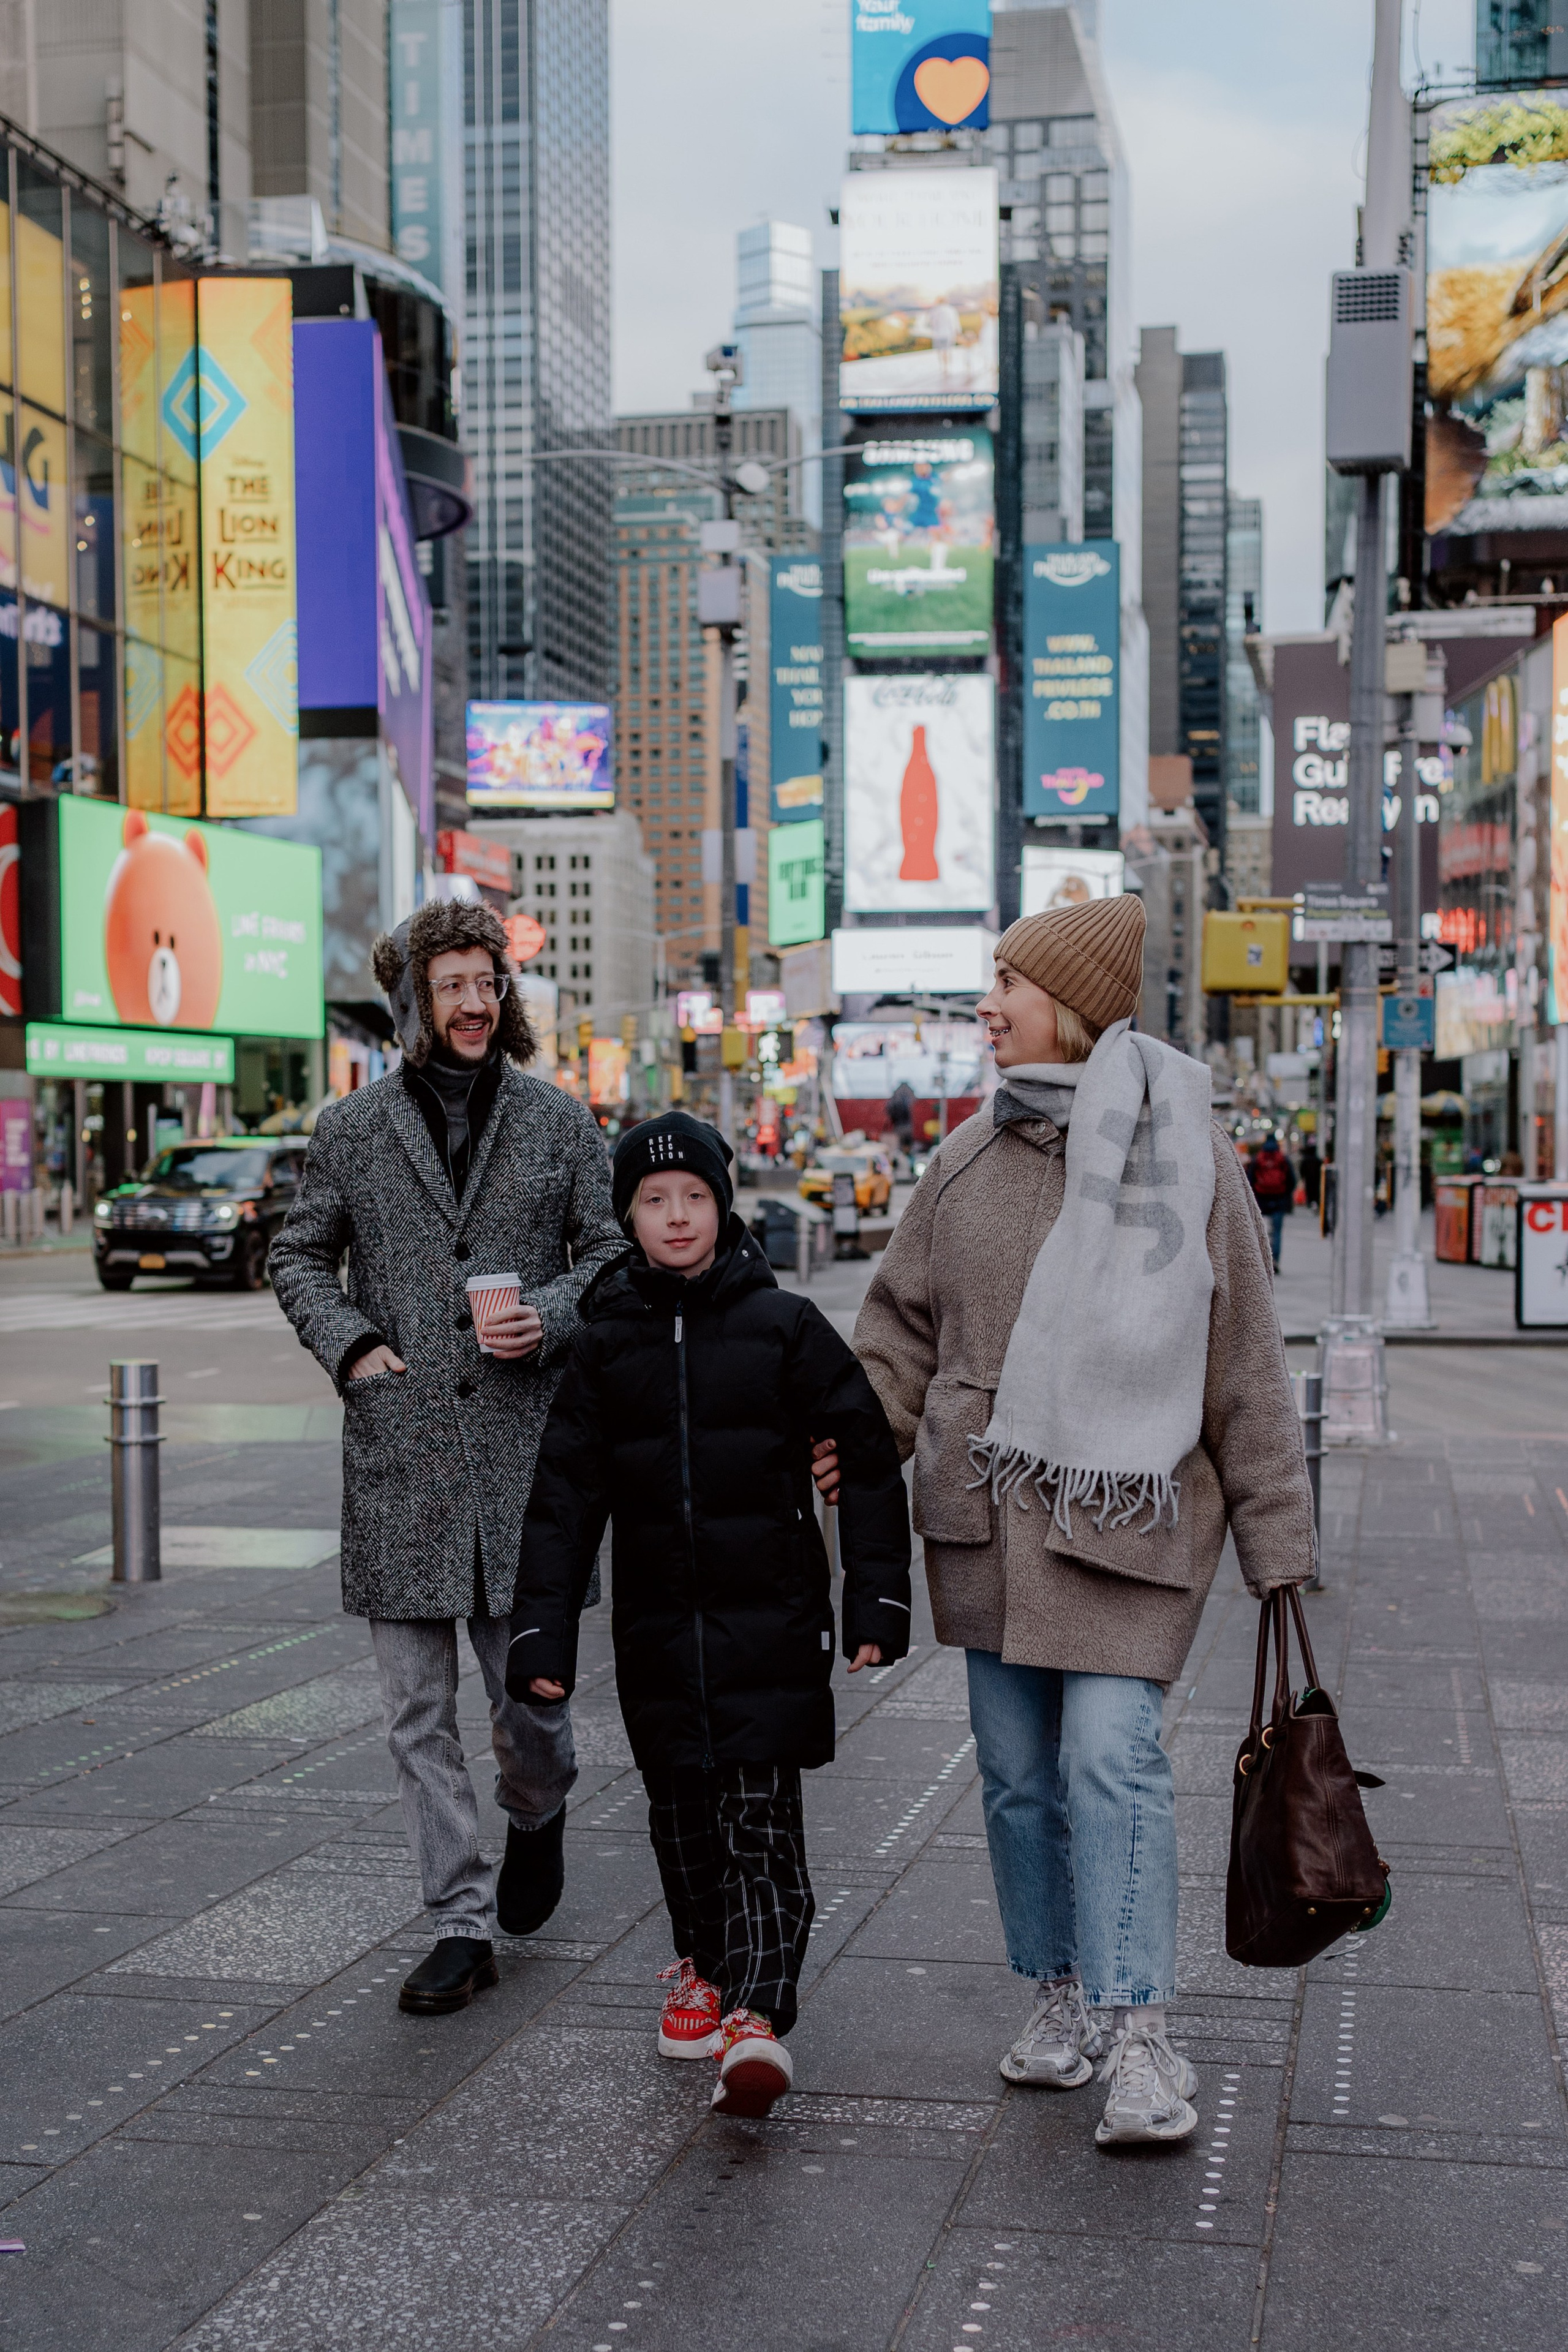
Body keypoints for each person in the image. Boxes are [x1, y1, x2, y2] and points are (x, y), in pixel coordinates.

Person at [823, 895, 1316, 2150]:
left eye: (1008, 980)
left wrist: (1276, 1544)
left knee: (1111, 1760)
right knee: (1013, 1783)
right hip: (987, 1520)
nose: (986, 1002)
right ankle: (1060, 1996)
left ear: (1076, 1001)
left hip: (1131, 1516)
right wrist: (846, 1445)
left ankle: (1141, 2033)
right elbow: (893, 1332)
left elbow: (1242, 1361)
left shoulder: (1181, 1154)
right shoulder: (962, 1159)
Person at [506, 1111, 911, 2119]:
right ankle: (705, 1962)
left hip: (768, 1628)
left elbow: (860, 1449)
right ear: (628, 1218)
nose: (676, 1216)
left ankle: (759, 2017)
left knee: (760, 1824)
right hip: (655, 1638)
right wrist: (540, 1634)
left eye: (693, 1196)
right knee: (682, 1823)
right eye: (653, 1201)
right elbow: (562, 1504)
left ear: (723, 1205)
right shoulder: (604, 1347)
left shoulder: (782, 1328)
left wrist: (877, 1595)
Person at [270, 901, 624, 2019]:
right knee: (415, 1715)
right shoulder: (352, 1131)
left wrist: (555, 1314)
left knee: (532, 1709)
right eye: (454, 985)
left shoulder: (561, 1124)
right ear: (411, 1002)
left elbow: (614, 1253)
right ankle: (460, 1922)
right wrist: (353, 1343)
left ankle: (537, 1810)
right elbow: (298, 1253)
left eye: (489, 983)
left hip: (527, 1460)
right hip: (401, 1457)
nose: (477, 1004)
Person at [1248, 1134, 1296, 1273]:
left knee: (1258, 1232)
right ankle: (1275, 1261)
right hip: (1279, 1200)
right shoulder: (1283, 1159)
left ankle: (1260, 1261)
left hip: (1261, 1201)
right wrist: (1285, 1195)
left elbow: (1250, 1181)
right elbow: (1292, 1181)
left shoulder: (1258, 1159)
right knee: (1277, 1233)